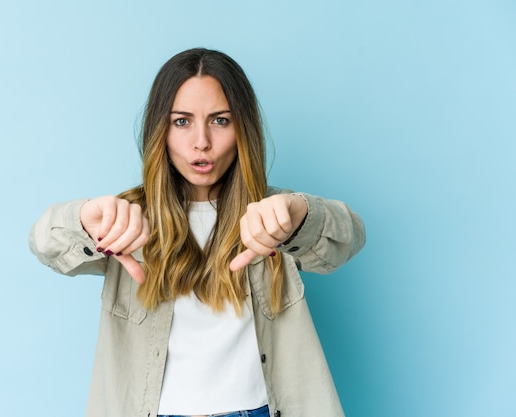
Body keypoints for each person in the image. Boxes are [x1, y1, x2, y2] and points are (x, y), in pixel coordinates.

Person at [29, 48, 365, 417]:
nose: (201, 141)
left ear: (242, 129)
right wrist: (83, 220)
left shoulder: (273, 214)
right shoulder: (129, 220)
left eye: (220, 120)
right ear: (160, 130)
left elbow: (349, 236)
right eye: (182, 122)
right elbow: (45, 243)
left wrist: (300, 212)